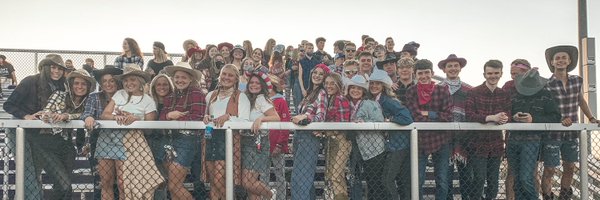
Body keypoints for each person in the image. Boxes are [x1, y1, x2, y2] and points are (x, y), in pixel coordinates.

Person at [3, 54, 67, 200]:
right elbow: (9, 105)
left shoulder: (61, 86)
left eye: (59, 68)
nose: (56, 71)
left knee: (34, 173)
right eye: (53, 67)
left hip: (41, 135)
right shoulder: (30, 81)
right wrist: (27, 116)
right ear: (45, 67)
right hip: (20, 131)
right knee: (29, 173)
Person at [96, 64, 164, 199]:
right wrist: (118, 117)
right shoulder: (119, 94)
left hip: (130, 142)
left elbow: (150, 125)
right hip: (107, 139)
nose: (128, 83)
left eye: (132, 79)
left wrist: (136, 119)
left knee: (123, 183)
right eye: (126, 80)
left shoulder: (148, 100)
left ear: (140, 81)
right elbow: (105, 115)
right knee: (106, 182)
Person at [541, 45, 600, 199]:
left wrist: (591, 118)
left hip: (572, 132)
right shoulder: (547, 84)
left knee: (570, 167)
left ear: (569, 61)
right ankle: (547, 196)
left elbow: (581, 101)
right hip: (553, 133)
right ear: (552, 62)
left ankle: (564, 195)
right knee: (550, 169)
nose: (560, 60)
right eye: (557, 58)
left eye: (564, 58)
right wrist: (559, 119)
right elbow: (545, 109)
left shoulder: (577, 80)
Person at [37, 69, 95, 199]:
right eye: (76, 83)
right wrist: (48, 116)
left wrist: (67, 116)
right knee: (64, 184)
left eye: (83, 84)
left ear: (88, 86)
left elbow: (84, 115)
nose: (79, 87)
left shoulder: (88, 102)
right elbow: (46, 111)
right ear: (70, 84)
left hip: (67, 145)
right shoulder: (59, 94)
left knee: (64, 186)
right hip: (47, 143)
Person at [509, 68, 561, 200]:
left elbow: (556, 117)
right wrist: (512, 117)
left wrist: (534, 119)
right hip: (513, 140)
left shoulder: (546, 95)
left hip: (532, 140)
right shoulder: (514, 94)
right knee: (517, 180)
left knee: (526, 178)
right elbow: (505, 112)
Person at [405, 59, 453, 199]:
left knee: (442, 180)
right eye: (420, 73)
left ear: (432, 73)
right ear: (415, 75)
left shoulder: (442, 90)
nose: (424, 76)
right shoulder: (411, 91)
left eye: (427, 72)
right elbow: (414, 115)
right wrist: (436, 117)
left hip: (441, 140)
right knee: (418, 179)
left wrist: (428, 113)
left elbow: (449, 116)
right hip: (419, 140)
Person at [203, 64, 251, 200]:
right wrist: (205, 117)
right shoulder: (210, 95)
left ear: (236, 79)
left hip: (228, 140)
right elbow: (206, 116)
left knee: (220, 179)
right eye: (224, 74)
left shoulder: (241, 97)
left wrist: (228, 117)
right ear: (220, 76)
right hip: (210, 137)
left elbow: (245, 121)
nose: (226, 77)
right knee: (213, 182)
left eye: (230, 75)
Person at [465, 60, 511, 200]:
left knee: (494, 182)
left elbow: (508, 112)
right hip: (477, 143)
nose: (493, 76)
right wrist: (492, 117)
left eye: (496, 73)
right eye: (490, 73)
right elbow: (469, 115)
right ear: (484, 74)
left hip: (496, 144)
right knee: (478, 179)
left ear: (501, 74)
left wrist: (504, 118)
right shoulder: (474, 92)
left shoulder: (504, 94)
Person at [160, 62, 206, 199]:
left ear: (191, 79)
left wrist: (174, 119)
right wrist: (169, 115)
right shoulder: (170, 96)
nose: (180, 80)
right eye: (177, 77)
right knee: (174, 187)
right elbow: (161, 117)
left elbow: (198, 116)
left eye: (184, 77)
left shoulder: (196, 92)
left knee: (174, 186)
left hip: (188, 140)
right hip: (170, 139)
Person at [369, 69, 414, 200]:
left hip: (399, 145)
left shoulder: (387, 100)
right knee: (399, 180)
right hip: (391, 145)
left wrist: (390, 120)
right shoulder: (375, 100)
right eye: (372, 83)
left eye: (378, 83)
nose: (374, 86)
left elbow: (407, 118)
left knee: (387, 180)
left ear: (383, 86)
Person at [82, 65, 123, 200]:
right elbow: (87, 113)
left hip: (123, 141)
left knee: (123, 182)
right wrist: (88, 117)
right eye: (104, 81)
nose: (108, 84)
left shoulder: (124, 97)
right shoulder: (94, 97)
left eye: (111, 80)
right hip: (100, 140)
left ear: (117, 82)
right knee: (102, 181)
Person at [290, 64, 330, 200]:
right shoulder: (308, 94)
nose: (317, 76)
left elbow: (321, 117)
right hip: (299, 137)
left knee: (299, 179)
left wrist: (306, 117)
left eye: (321, 74)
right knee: (304, 178)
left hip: (310, 137)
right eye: (315, 72)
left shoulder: (322, 93)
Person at [437, 54, 473, 200]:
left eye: (455, 65)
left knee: (466, 178)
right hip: (444, 138)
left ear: (460, 68)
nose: (453, 68)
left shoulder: (469, 89)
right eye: (449, 66)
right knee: (446, 177)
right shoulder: (437, 89)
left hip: (464, 138)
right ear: (444, 69)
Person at [344, 75, 385, 199]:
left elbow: (380, 120)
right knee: (353, 178)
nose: (355, 90)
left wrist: (364, 122)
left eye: (359, 88)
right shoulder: (345, 102)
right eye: (353, 87)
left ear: (364, 91)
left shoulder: (370, 103)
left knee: (373, 181)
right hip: (354, 145)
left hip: (372, 148)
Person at [241, 72, 280, 200]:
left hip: (257, 142)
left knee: (248, 182)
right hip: (246, 141)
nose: (254, 85)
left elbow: (276, 117)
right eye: (251, 82)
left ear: (262, 85)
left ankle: (270, 194)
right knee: (250, 189)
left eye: (257, 83)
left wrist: (261, 119)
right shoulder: (248, 98)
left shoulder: (261, 98)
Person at [321, 73, 351, 199]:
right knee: (331, 176)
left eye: (332, 83)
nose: (329, 86)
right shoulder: (328, 99)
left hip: (341, 141)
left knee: (336, 176)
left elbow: (342, 124)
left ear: (338, 84)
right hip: (331, 141)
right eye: (327, 83)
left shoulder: (340, 98)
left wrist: (324, 131)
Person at [146, 73, 173, 199]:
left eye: (165, 84)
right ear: (153, 87)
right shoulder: (147, 102)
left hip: (169, 144)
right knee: (152, 180)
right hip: (149, 144)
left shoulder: (175, 102)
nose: (162, 87)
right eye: (159, 84)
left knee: (163, 179)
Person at [268, 75, 291, 200]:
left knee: (279, 173)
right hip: (263, 144)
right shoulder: (263, 101)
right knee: (263, 174)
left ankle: (281, 197)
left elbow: (285, 123)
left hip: (277, 144)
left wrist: (280, 143)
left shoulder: (280, 101)